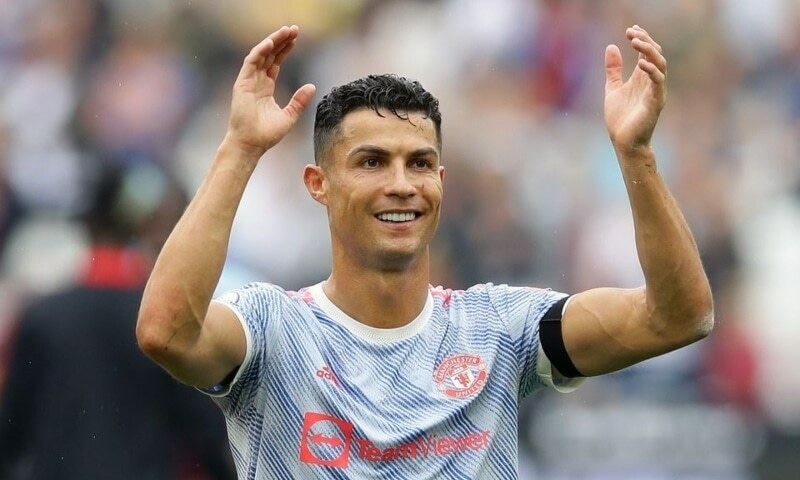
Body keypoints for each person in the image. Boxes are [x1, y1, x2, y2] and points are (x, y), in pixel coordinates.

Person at [136, 24, 714, 479]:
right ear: (319, 184)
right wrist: (240, 148)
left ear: (441, 179)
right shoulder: (272, 329)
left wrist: (636, 153)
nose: (401, 184)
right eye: (371, 162)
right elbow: (166, 333)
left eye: (418, 164)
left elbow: (679, 317)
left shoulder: (498, 330)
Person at [0, 164, 236, 480]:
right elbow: (203, 431)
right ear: (142, 227)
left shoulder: (43, 317)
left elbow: (12, 432)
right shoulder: (165, 321)